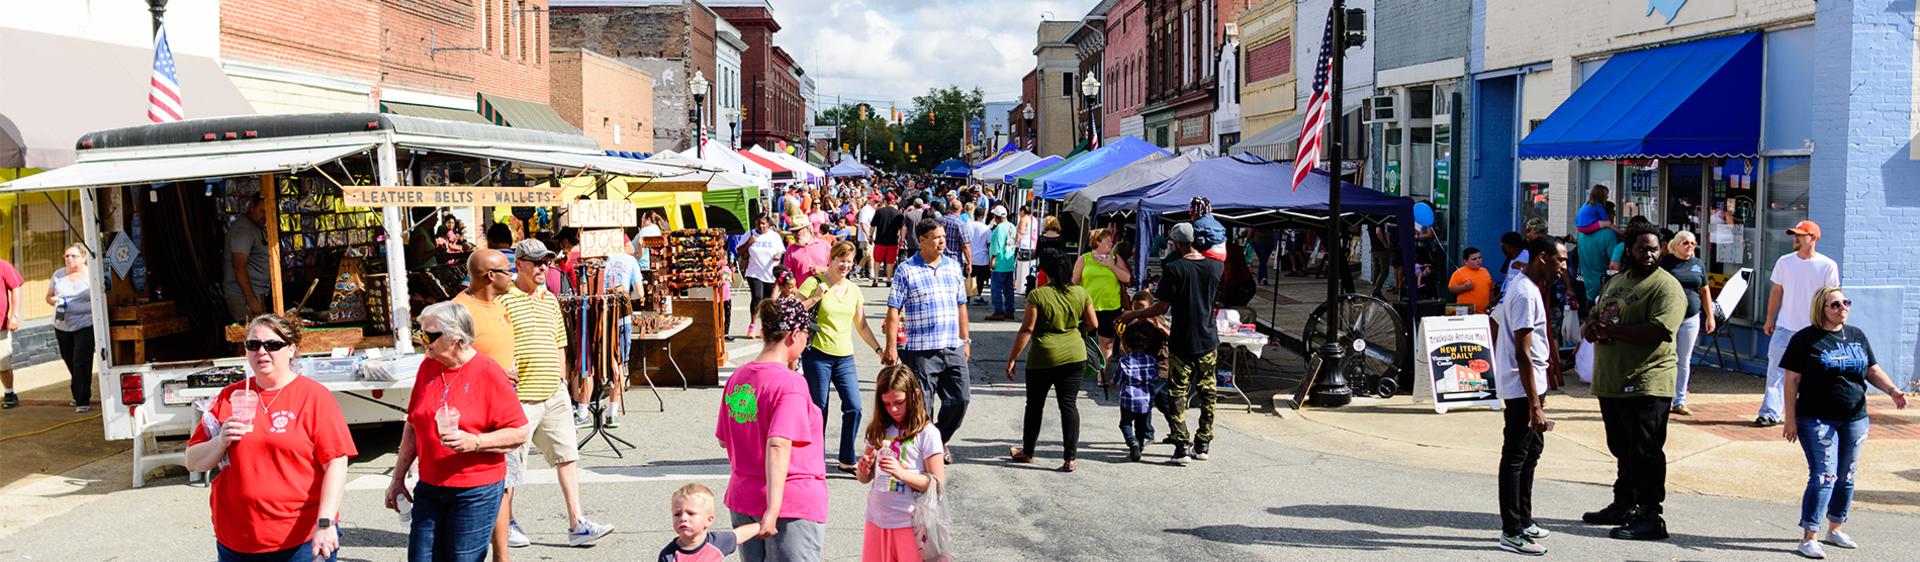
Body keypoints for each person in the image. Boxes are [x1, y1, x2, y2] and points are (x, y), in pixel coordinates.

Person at [186, 315, 357, 562]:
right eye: (253, 345)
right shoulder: (230, 396)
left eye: (272, 345)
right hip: (237, 540)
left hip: (299, 541)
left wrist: (326, 523)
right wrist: (220, 440)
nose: (262, 352)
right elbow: (193, 461)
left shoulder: (313, 397)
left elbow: (336, 463)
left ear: (291, 349)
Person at [386, 302, 530, 562]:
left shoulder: (488, 372)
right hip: (430, 486)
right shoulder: (427, 367)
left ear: (457, 338)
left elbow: (519, 431)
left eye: (429, 336)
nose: (423, 341)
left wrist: (475, 441)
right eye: (421, 334)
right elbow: (413, 424)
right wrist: (397, 478)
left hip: (474, 490)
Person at [498, 240, 612, 549]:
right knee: (512, 467)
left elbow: (559, 340)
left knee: (567, 457)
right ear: (518, 264)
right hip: (518, 397)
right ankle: (505, 523)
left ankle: (577, 523)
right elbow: (492, 341)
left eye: (545, 262)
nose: (542, 268)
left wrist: (563, 381)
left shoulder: (549, 299)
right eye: (535, 262)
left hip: (553, 392)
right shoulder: (503, 299)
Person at [1781, 286, 1909, 559]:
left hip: (1855, 417)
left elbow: (1871, 370)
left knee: (1847, 476)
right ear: (1822, 309)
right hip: (1816, 418)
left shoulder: (1857, 336)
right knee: (1824, 476)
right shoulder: (1806, 339)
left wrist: (1893, 391)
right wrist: (1789, 418)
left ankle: (1835, 528)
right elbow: (1791, 380)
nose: (1842, 308)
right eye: (1835, 305)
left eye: (1845, 302)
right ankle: (1809, 536)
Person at [1579, 227, 1685, 541]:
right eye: (1642, 249)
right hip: (1612, 378)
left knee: (1645, 451)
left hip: (1647, 380)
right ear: (1629, 250)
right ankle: (1624, 504)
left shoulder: (1666, 286)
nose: (1648, 255)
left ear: (1661, 250)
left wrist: (1610, 332)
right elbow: (1596, 315)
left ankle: (1651, 516)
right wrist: (1590, 327)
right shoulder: (1616, 281)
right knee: (1621, 448)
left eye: (1654, 249)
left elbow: (1658, 330)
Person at [717, 299, 828, 562]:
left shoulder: (739, 378)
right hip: (789, 500)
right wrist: (773, 508)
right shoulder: (790, 384)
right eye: (806, 334)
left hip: (745, 495)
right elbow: (779, 443)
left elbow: (725, 439)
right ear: (794, 335)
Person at [1116, 223, 1222, 465]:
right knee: (1208, 393)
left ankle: (1182, 446)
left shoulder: (1174, 269)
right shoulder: (1216, 267)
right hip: (1207, 339)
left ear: (1177, 244)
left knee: (1176, 394)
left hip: (1182, 340)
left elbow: (1162, 306)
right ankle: (1203, 442)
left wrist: (1132, 315)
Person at [1494, 237, 1566, 556]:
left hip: (1532, 383)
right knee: (1516, 455)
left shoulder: (1529, 286)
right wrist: (1534, 405)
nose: (1564, 266)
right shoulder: (1524, 292)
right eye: (1559, 260)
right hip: (1522, 388)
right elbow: (1522, 352)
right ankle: (1511, 531)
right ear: (1542, 258)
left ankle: (1524, 519)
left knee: (1532, 450)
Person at [883, 218, 973, 455]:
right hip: (920, 350)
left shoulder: (953, 266)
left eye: (942, 237)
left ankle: (937, 440)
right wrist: (890, 346)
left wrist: (966, 340)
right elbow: (894, 309)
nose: (941, 241)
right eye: (935, 237)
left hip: (952, 346)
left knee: (960, 399)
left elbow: (961, 306)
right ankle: (926, 452)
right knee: (923, 405)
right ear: (921, 240)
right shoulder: (906, 269)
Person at [1003, 249, 1097, 472]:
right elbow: (1093, 323)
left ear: (1046, 270)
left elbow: (1027, 329)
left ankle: (1028, 452)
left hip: (1043, 357)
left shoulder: (1037, 295)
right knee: (1069, 405)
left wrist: (1012, 358)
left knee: (1035, 405)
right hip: (1075, 354)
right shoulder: (1080, 292)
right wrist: (1075, 330)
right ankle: (1070, 458)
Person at [795, 242, 884, 474]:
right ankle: (814, 458)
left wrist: (879, 350)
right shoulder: (815, 282)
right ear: (831, 260)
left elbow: (862, 325)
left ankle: (846, 458)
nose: (845, 265)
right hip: (817, 355)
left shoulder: (854, 289)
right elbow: (792, 312)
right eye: (841, 259)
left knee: (854, 407)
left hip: (844, 357)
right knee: (819, 408)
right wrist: (815, 298)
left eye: (849, 260)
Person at [856, 364, 947, 561]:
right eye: (887, 404)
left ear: (914, 395)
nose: (893, 409)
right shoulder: (878, 429)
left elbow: (937, 484)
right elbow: (865, 478)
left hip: (910, 523)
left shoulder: (928, 433)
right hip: (876, 518)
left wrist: (901, 473)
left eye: (899, 402)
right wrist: (863, 470)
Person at [1758, 220, 1841, 427]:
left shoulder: (1827, 265)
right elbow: (1777, 291)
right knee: (1775, 370)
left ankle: (1813, 412)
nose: (1795, 238)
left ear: (1812, 238)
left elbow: (1831, 298)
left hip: (1814, 330)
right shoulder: (1785, 262)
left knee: (1815, 374)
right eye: (1794, 234)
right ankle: (1769, 413)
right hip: (1785, 327)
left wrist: (1829, 326)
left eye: (1799, 235)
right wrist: (1770, 318)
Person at [1659, 231, 1713, 416]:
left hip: (1691, 318)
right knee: (1666, 358)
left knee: (1684, 360)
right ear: (1675, 245)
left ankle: (1679, 399)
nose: (1690, 246)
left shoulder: (1698, 265)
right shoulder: (1665, 264)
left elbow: (1705, 291)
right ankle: (1663, 397)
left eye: (1693, 243)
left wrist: (1710, 316)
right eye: (1685, 243)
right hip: (1669, 317)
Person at [46, 244, 95, 412]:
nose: (69, 259)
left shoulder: (91, 275)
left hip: (85, 324)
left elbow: (100, 299)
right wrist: (55, 301)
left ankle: (82, 401)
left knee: (81, 361)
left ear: (83, 258)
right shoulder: (58, 275)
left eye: (73, 256)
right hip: (62, 325)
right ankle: (79, 393)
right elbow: (48, 297)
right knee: (70, 361)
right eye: (66, 256)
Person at [1075, 228, 1132, 370]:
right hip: (1088, 306)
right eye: (1108, 240)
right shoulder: (1084, 258)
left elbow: (1127, 278)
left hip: (1110, 306)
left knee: (1106, 341)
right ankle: (1086, 366)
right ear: (1097, 241)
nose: (1111, 242)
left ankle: (1102, 374)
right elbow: (1075, 281)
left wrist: (1110, 266)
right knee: (1083, 338)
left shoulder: (1115, 258)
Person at [660, 483, 761, 562]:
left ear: (709, 520)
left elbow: (739, 535)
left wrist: (763, 525)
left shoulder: (717, 542)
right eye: (677, 514)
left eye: (691, 513)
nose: (683, 518)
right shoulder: (669, 555)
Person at [1111, 320, 1162, 463]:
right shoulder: (1151, 360)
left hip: (1128, 399)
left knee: (1125, 423)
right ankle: (1139, 446)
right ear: (1146, 344)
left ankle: (1131, 442)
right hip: (1145, 399)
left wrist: (1112, 383)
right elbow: (1154, 377)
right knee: (1140, 426)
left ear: (1126, 344)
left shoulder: (1125, 360)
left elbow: (1118, 378)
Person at [224, 196, 274, 320]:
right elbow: (238, 266)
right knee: (251, 336)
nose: (265, 216)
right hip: (244, 297)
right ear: (252, 207)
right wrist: (251, 298)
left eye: (268, 212)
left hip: (256, 293)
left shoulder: (255, 227)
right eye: (262, 211)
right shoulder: (243, 230)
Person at [1574, 185, 1621, 311]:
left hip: (1586, 286)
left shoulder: (1582, 235)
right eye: (1612, 212)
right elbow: (1614, 266)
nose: (1614, 214)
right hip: (1604, 289)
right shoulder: (1608, 234)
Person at [742, 215, 786, 337]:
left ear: (768, 224)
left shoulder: (774, 236)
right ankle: (752, 325)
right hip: (754, 272)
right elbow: (739, 251)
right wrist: (748, 243)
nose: (761, 226)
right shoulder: (749, 234)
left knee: (767, 301)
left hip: (770, 273)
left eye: (763, 223)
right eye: (758, 223)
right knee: (757, 297)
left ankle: (764, 326)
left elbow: (781, 250)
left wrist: (778, 255)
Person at [0, 236, 21, 410]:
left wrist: (14, 315)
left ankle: (9, 393)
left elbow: (15, 287)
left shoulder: (2, 265)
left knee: (2, 362)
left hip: (0, 326)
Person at [987, 206, 1018, 321]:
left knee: (996, 288)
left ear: (996, 217)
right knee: (1008, 288)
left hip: (1000, 262)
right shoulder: (1012, 226)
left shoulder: (999, 228)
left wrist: (993, 259)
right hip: (1009, 261)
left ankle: (998, 310)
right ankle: (1010, 310)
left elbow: (997, 245)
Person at [783, 215, 831, 285]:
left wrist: (823, 269)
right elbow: (788, 276)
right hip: (801, 294)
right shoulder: (790, 250)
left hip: (824, 292)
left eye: (797, 231)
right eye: (793, 231)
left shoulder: (825, 245)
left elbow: (836, 268)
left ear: (807, 228)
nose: (794, 234)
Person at [869, 197, 903, 287]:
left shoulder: (879, 211)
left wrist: (870, 236)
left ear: (885, 202)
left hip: (880, 240)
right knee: (890, 262)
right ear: (893, 202)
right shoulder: (898, 213)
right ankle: (888, 280)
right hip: (893, 241)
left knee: (877, 260)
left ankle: (875, 279)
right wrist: (901, 238)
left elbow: (872, 226)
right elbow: (902, 228)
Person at [1448, 247, 1494, 314]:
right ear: (1465, 261)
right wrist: (1464, 287)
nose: (1478, 261)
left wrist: (1491, 302)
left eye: (1479, 258)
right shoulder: (1459, 272)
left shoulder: (1485, 271)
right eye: (1474, 259)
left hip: (1483, 312)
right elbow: (1451, 288)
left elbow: (1491, 288)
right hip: (1466, 311)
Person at [967, 206, 993, 305]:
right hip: (982, 258)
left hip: (969, 256)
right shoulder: (986, 228)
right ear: (983, 216)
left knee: (969, 277)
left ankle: (968, 296)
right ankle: (978, 296)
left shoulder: (968, 225)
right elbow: (989, 244)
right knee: (980, 279)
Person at [1015, 205, 1040, 295]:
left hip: (1024, 245)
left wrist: (1014, 244)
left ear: (1022, 211)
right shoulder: (1034, 219)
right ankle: (1026, 287)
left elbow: (1020, 232)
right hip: (1032, 245)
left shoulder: (1024, 219)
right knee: (1029, 268)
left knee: (1022, 268)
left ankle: (1020, 286)